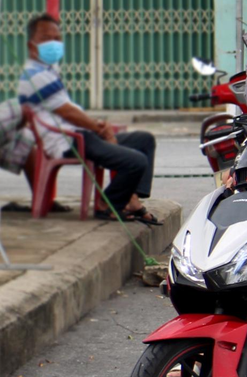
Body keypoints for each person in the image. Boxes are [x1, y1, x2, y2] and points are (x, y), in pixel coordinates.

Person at [18, 14, 161, 225]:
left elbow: (70, 111)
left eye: (57, 38)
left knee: (144, 140)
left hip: (81, 134)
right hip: (68, 140)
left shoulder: (47, 72)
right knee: (135, 161)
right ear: (32, 45)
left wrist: (98, 127)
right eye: (47, 38)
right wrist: (98, 127)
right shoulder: (34, 75)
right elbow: (67, 112)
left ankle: (131, 199)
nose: (54, 43)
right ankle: (107, 204)